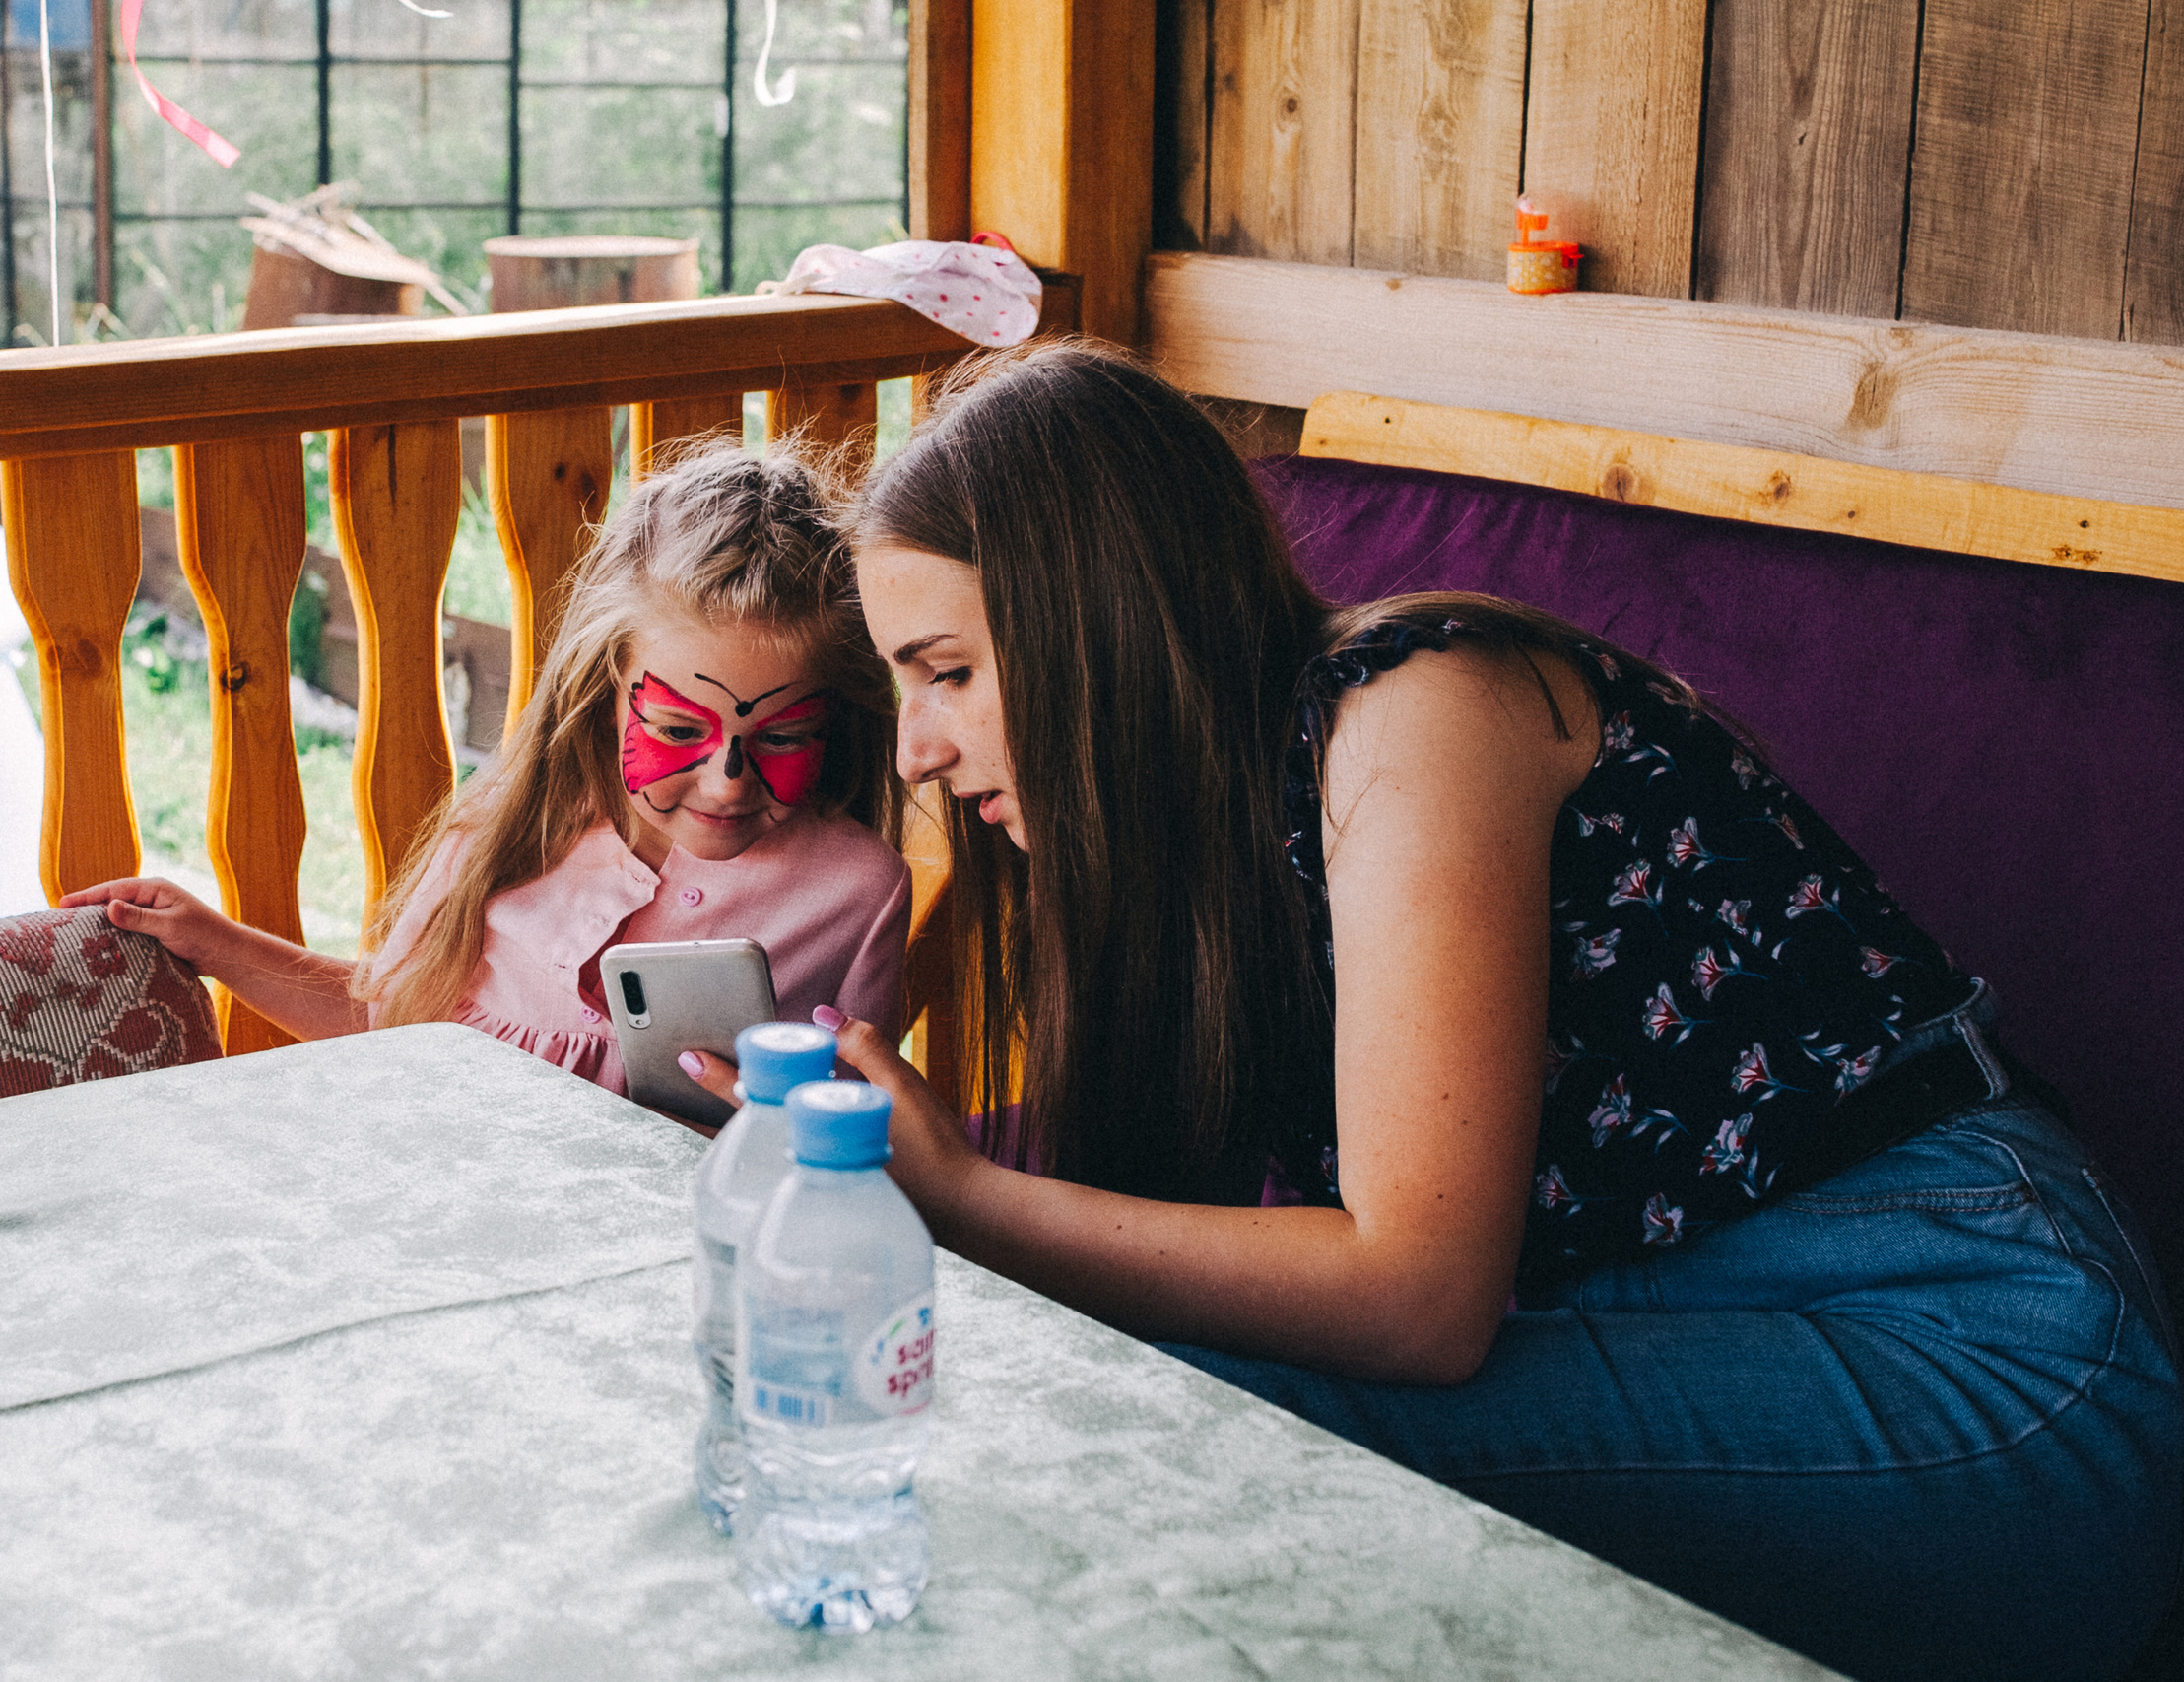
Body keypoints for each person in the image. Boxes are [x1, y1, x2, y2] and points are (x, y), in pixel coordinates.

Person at [689, 342, 2181, 1680]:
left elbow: (1415, 1297)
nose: (927, 750)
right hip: (1700, 1321)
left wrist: (967, 1199)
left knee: (1188, 1436)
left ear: (1102, 624)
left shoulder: (1418, 709)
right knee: (1097, 1393)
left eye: (946, 672)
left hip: (1987, 1362)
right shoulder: (1201, 837)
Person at [66, 442, 911, 1102]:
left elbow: (867, 1122)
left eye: (781, 736)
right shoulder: (512, 824)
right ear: (602, 687)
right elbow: (382, 1017)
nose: (728, 780)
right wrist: (214, 942)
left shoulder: (858, 893)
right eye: (677, 727)